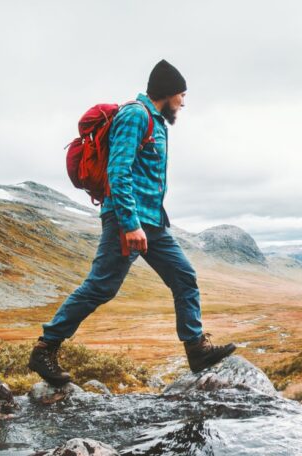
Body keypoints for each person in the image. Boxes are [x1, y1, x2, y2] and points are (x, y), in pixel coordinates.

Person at [29, 59, 236, 386]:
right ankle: (45, 348)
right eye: (181, 95)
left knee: (184, 276)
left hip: (152, 222)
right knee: (101, 286)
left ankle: (196, 349)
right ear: (167, 94)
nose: (183, 102)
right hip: (128, 220)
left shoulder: (156, 122)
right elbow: (118, 171)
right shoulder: (135, 116)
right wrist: (129, 223)